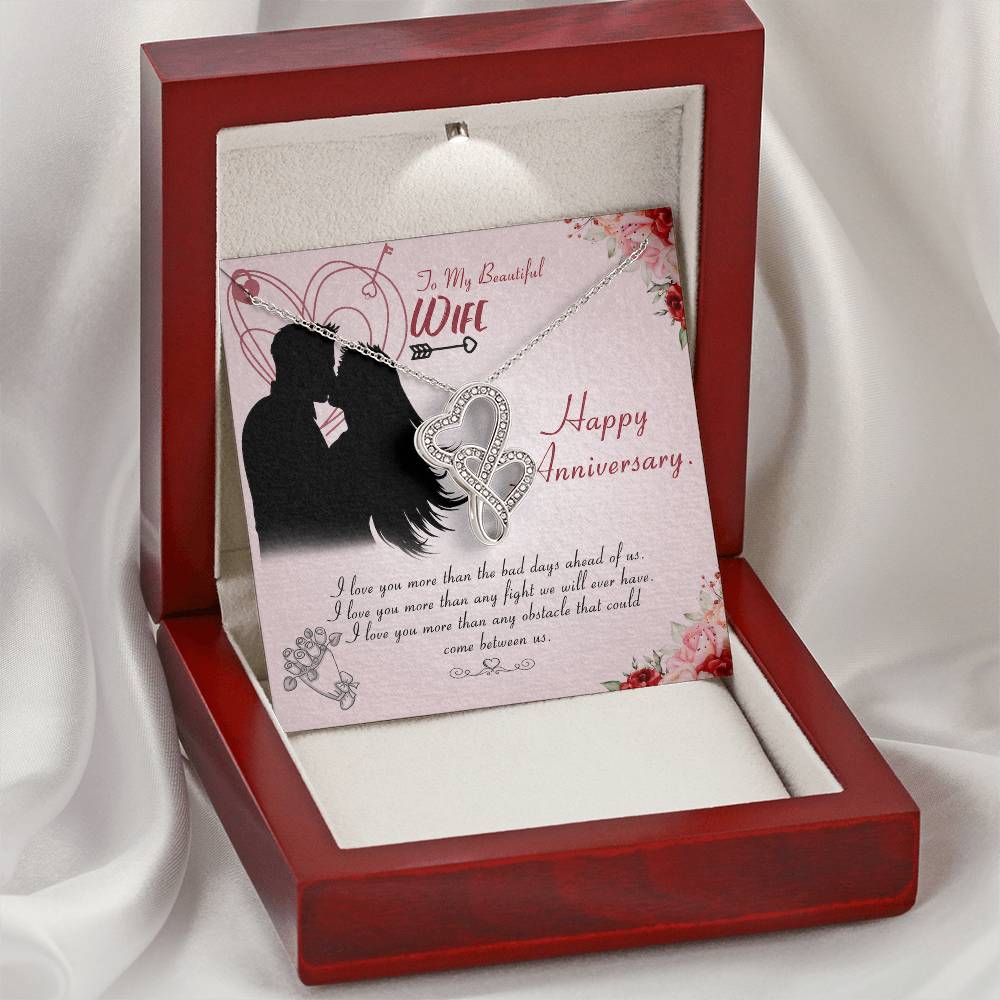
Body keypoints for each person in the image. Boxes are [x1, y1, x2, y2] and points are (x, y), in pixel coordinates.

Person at [327, 347, 464, 555]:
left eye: (340, 373)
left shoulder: (350, 450)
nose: (334, 379)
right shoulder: (371, 444)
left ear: (358, 387)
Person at [241, 323, 337, 554]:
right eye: (327, 366)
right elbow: (315, 505)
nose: (332, 377)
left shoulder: (278, 414)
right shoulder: (277, 419)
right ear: (304, 368)